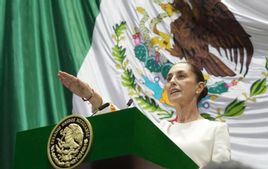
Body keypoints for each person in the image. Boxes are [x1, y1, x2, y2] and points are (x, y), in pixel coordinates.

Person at [58, 62, 231, 168]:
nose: (172, 82)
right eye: (169, 78)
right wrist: (92, 97)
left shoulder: (215, 130)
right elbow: (122, 131)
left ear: (199, 87)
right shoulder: (161, 128)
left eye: (181, 76)